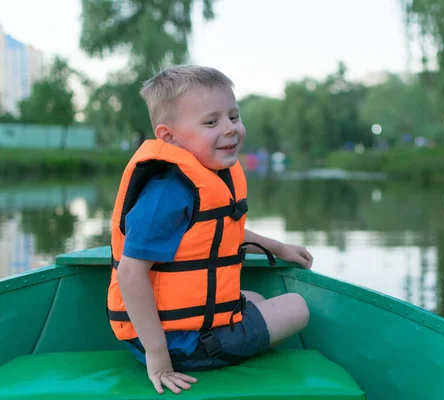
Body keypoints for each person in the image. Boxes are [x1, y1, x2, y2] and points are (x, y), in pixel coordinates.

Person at [106, 65, 313, 395]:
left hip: (182, 335)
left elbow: (216, 236)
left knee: (255, 299)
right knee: (297, 308)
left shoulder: (204, 178)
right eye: (211, 122)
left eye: (233, 116)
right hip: (180, 347)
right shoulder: (167, 195)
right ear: (168, 137)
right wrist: (158, 357)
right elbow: (131, 274)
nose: (230, 129)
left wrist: (278, 247)